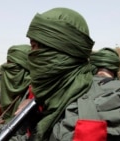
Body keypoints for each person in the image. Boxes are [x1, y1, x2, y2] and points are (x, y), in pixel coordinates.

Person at [26, 7, 95, 140]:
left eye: (34, 47)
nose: (30, 54)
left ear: (59, 51)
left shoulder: (95, 109)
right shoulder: (49, 93)